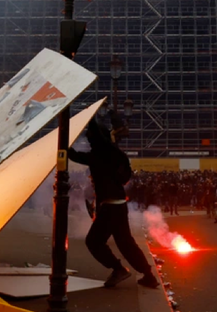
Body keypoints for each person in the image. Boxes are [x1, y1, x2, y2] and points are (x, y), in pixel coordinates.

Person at [67, 119, 159, 289]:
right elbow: (124, 177)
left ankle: (118, 269)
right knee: (126, 243)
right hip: (119, 204)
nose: (89, 141)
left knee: (93, 241)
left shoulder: (97, 156)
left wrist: (64, 140)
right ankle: (148, 275)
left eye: (90, 138)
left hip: (109, 206)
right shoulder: (118, 155)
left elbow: (72, 155)